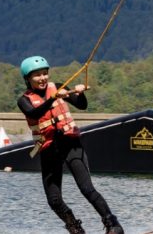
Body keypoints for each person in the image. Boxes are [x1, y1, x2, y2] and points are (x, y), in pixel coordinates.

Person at [17, 55, 123, 234]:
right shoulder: (23, 100)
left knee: (87, 188)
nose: (43, 78)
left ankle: (113, 225)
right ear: (28, 79)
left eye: (45, 74)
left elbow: (82, 105)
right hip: (49, 150)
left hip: (71, 145)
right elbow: (34, 113)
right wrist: (53, 98)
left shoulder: (57, 87)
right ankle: (76, 230)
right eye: (37, 75)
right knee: (54, 200)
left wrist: (79, 94)